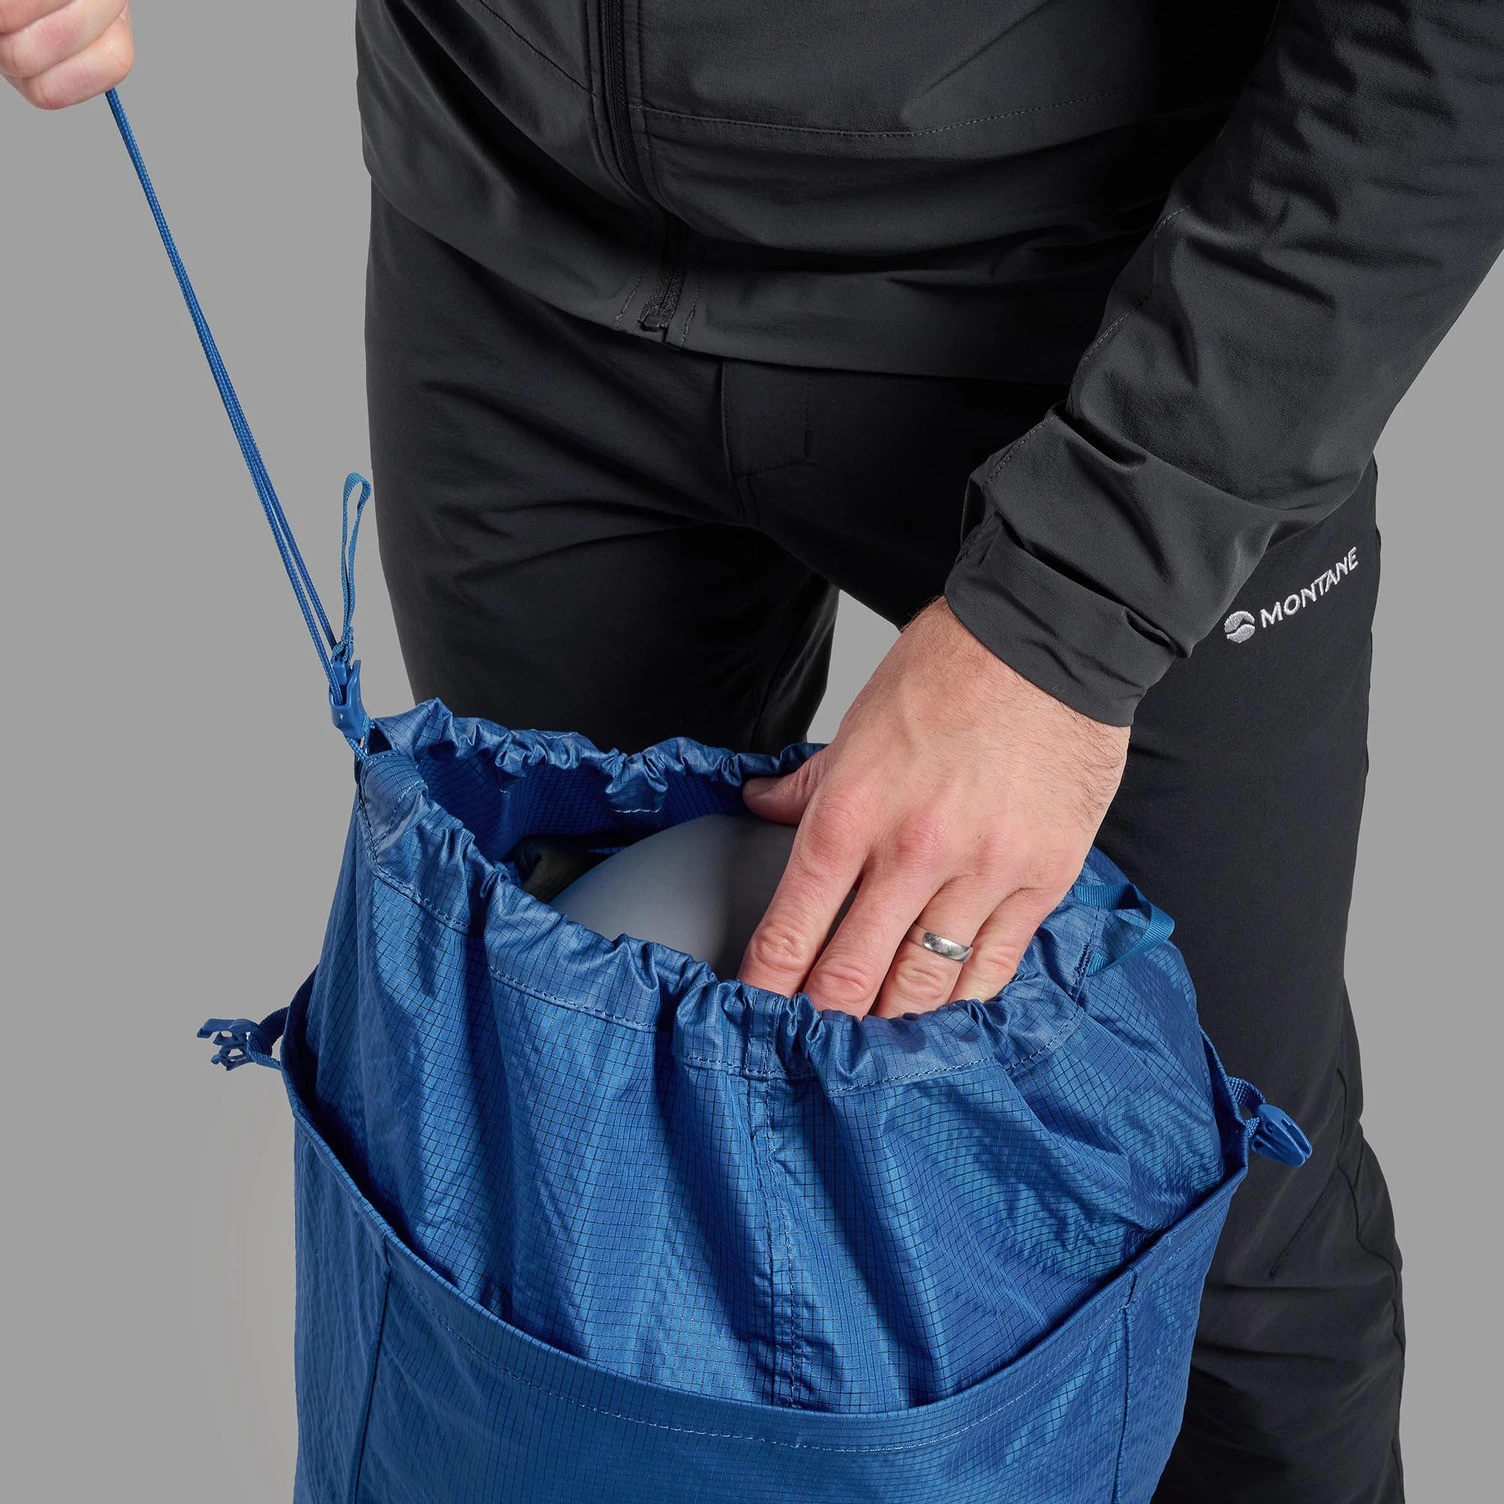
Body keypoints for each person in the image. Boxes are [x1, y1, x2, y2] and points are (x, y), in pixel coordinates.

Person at [9, 3, 1503, 1497]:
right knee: (542, 1204)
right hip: (516, 247)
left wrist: (1076, 607)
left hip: (1110, 305)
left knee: (1218, 1222)